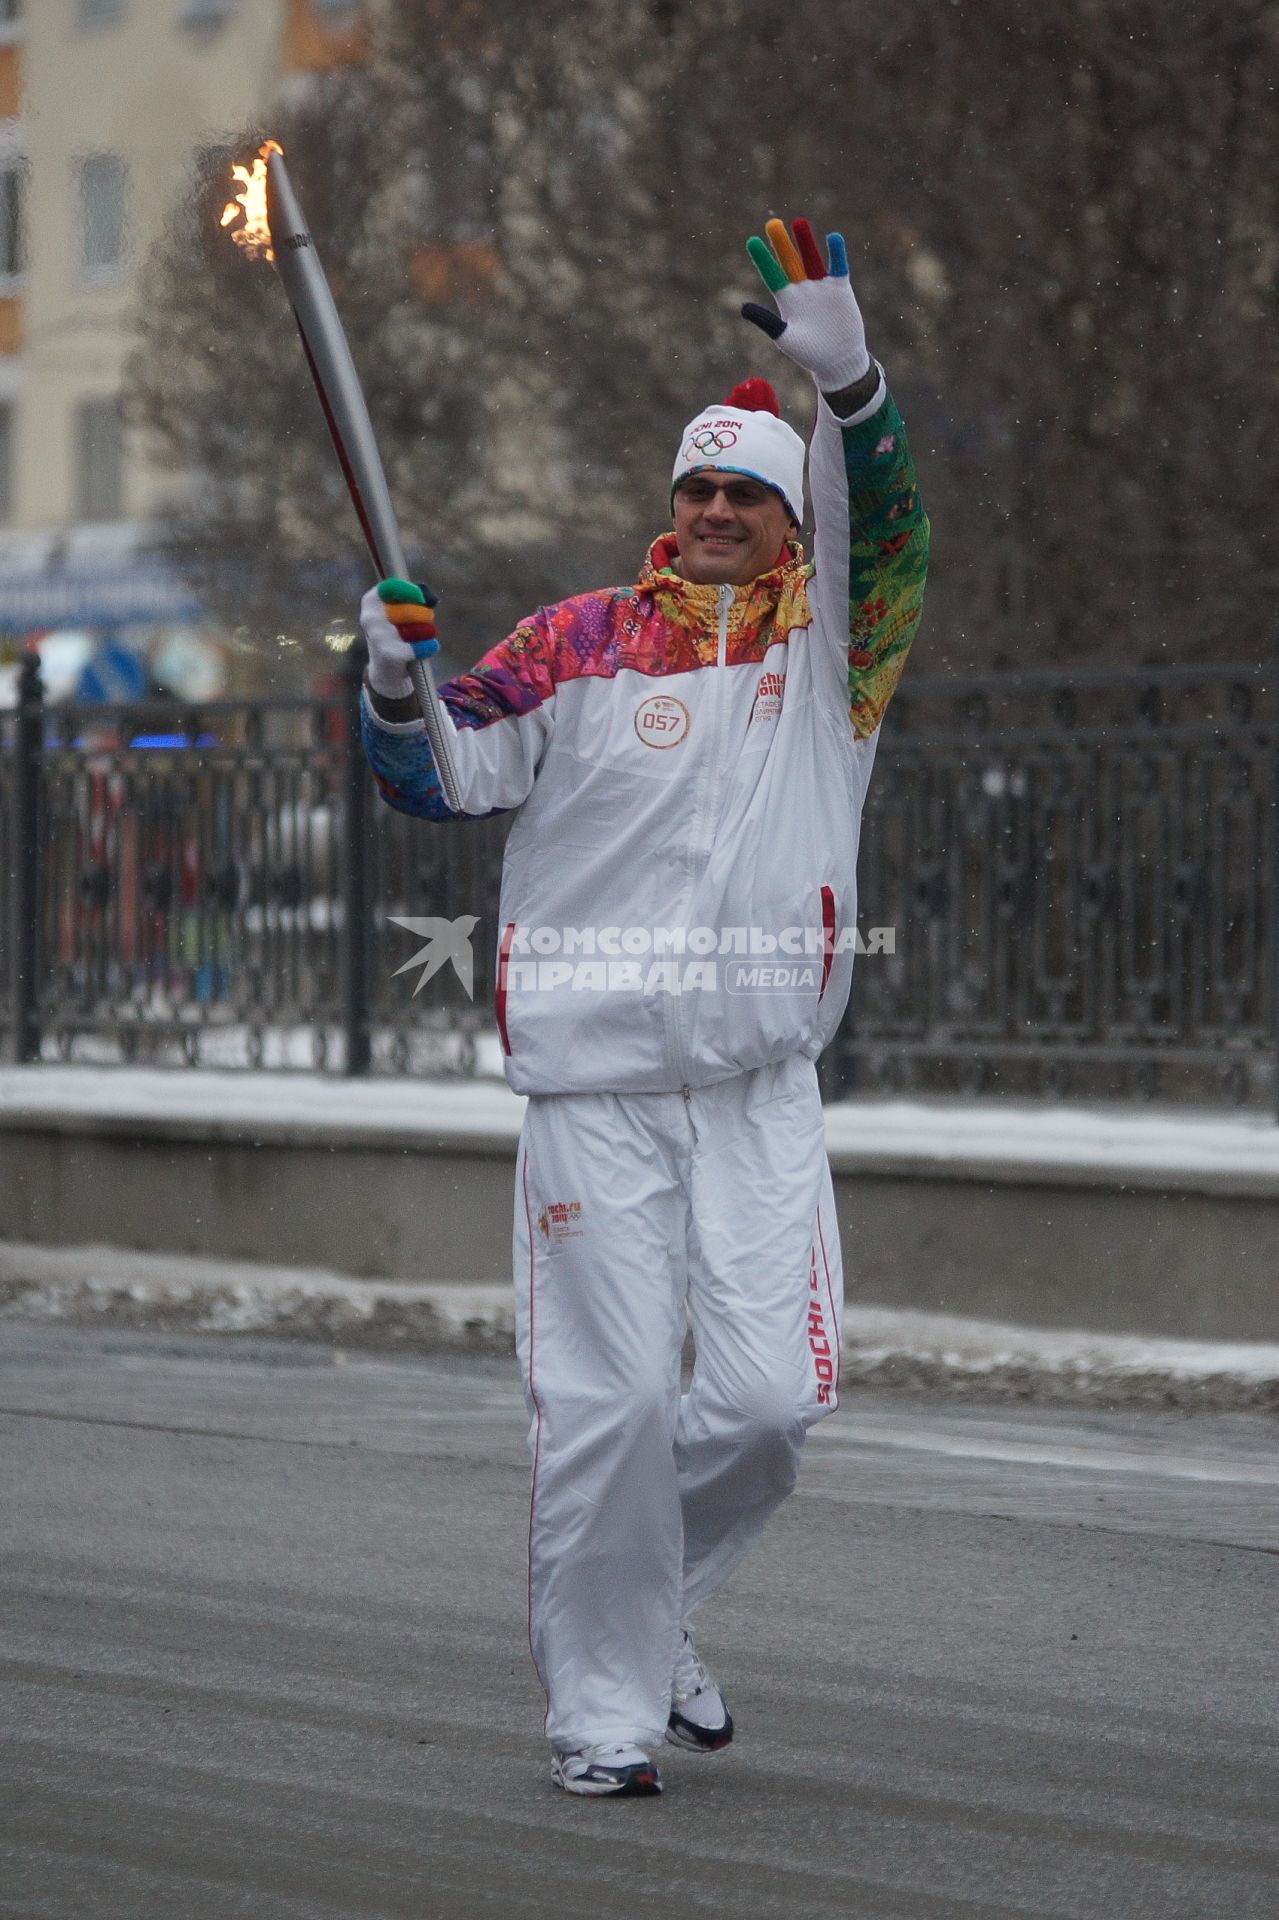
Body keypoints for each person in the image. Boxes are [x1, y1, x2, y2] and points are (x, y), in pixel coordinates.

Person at [359, 216, 929, 1797]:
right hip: (595, 1093)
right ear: (671, 504)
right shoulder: (576, 643)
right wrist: (396, 684)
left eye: (749, 489)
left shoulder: (836, 656)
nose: (719, 511)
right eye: (699, 487)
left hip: (755, 1088)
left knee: (767, 1402)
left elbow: (894, 542)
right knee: (605, 1412)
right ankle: (603, 1714)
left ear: (786, 513)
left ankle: (651, 1595)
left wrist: (859, 399)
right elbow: (440, 776)